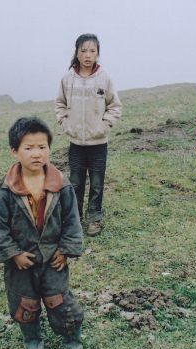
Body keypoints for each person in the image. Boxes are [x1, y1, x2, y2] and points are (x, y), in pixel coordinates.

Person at [0, 116, 85, 349]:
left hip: (54, 259)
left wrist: (65, 250)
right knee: (25, 305)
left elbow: (72, 220)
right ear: (14, 151)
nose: (37, 154)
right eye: (28, 148)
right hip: (21, 264)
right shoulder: (5, 190)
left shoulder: (61, 185)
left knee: (60, 301)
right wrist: (14, 254)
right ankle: (32, 341)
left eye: (42, 147)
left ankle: (72, 340)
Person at [55, 33, 122, 236]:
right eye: (83, 50)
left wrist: (104, 126)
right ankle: (74, 220)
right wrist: (66, 124)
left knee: (97, 183)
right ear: (76, 52)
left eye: (92, 51)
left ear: (98, 54)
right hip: (76, 143)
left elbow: (115, 106)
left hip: (98, 144)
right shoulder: (67, 79)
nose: (88, 55)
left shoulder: (104, 78)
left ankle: (94, 218)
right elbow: (60, 104)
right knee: (75, 183)